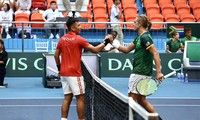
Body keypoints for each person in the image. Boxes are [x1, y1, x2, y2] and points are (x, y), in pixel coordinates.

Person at [54, 17, 113, 120]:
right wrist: (107, 41)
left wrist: (59, 69)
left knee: (67, 98)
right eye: (78, 26)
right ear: (72, 28)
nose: (80, 27)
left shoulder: (62, 39)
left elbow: (56, 55)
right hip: (74, 74)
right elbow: (95, 50)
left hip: (64, 73)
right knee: (80, 98)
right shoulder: (78, 39)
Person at [112, 14, 163, 114]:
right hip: (142, 73)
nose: (133, 23)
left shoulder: (145, 37)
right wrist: (113, 42)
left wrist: (158, 72)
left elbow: (155, 53)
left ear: (139, 24)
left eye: (135, 22)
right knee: (141, 100)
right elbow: (126, 50)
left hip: (140, 72)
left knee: (131, 101)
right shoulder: (139, 38)